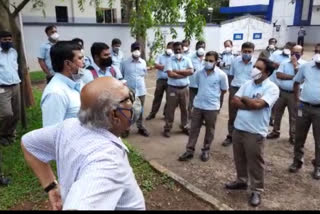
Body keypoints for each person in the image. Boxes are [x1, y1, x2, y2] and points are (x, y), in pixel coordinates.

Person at [21, 77, 146, 210]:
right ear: (114, 115)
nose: (134, 101)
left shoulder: (68, 126)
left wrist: (51, 187)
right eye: (128, 98)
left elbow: (29, 143)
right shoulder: (108, 164)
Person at [225, 57, 279, 207]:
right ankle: (241, 181)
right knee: (239, 158)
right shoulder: (247, 83)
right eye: (254, 66)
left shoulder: (272, 88)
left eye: (258, 68)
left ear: (267, 72)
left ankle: (256, 190)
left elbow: (259, 105)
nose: (254, 69)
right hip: (239, 128)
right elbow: (234, 101)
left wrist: (247, 101)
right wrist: (250, 102)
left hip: (255, 132)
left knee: (255, 162)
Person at [178, 51, 228, 162]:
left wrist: (212, 97)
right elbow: (195, 87)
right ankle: (189, 150)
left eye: (211, 61)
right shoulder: (198, 73)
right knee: (194, 129)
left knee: (210, 130)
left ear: (216, 62)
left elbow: (224, 90)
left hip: (212, 107)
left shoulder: (221, 75)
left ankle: (206, 150)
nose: (208, 62)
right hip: (198, 106)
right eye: (206, 60)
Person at [288, 53, 320, 180]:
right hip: (304, 107)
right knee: (299, 136)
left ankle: (318, 166)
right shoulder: (306, 67)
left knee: (319, 140)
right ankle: (297, 161)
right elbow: (296, 82)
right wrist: (297, 101)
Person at [267, 45, 306, 144]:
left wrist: (295, 65)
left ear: (302, 53)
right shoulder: (284, 63)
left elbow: (301, 80)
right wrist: (294, 77)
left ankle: (293, 136)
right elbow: (279, 75)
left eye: (297, 53)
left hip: (295, 94)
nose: (294, 55)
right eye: (293, 52)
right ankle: (275, 131)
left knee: (294, 116)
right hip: (282, 92)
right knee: (277, 112)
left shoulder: (304, 65)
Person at [41, 41, 84, 127]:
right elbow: (52, 132)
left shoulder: (78, 82)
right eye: (80, 58)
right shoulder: (55, 93)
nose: (84, 63)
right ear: (68, 64)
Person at [222, 42, 256, 147]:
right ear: (241, 51)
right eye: (245, 51)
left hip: (249, 91)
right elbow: (231, 75)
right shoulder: (235, 61)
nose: (247, 53)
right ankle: (230, 136)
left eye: (249, 52)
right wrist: (231, 89)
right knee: (233, 114)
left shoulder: (256, 63)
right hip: (235, 89)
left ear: (253, 52)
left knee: (248, 114)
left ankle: (245, 137)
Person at [0, 31, 21, 186]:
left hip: (16, 85)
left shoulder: (13, 52)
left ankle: (9, 135)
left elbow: (15, 67)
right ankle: (3, 133)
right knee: (6, 113)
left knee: (16, 114)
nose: (8, 41)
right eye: (4, 39)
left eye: (9, 39)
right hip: (2, 88)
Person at [163, 42, 193, 138]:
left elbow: (191, 71)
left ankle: (185, 126)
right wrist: (184, 74)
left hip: (185, 89)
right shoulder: (169, 60)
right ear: (173, 50)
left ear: (182, 49)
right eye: (176, 50)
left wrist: (177, 72)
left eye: (179, 49)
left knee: (185, 109)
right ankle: (167, 128)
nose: (178, 51)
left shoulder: (187, 60)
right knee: (170, 109)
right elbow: (170, 74)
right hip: (172, 89)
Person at [121, 42, 150, 137]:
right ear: (131, 50)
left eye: (138, 48)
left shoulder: (143, 62)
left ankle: (140, 126)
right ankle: (126, 128)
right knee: (128, 109)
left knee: (140, 110)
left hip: (141, 90)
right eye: (134, 49)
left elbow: (144, 75)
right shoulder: (125, 63)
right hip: (129, 91)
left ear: (141, 50)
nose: (136, 51)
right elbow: (121, 76)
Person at [267, 42, 295, 126]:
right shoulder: (276, 53)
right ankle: (268, 119)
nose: (287, 49)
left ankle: (273, 118)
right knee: (269, 102)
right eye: (287, 47)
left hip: (282, 85)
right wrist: (274, 65)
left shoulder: (293, 58)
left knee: (278, 106)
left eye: (290, 48)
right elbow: (268, 63)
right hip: (272, 81)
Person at [146, 41, 174, 120]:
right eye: (169, 47)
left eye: (172, 48)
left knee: (170, 98)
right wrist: (168, 68)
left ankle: (166, 114)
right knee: (157, 97)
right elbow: (156, 65)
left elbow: (174, 68)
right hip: (161, 80)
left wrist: (163, 67)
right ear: (166, 47)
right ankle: (152, 113)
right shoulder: (160, 55)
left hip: (170, 81)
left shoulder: (174, 57)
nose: (170, 49)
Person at [188, 40, 206, 121]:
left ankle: (201, 118)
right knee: (191, 102)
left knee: (202, 102)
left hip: (203, 84)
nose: (201, 49)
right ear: (196, 48)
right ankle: (190, 118)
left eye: (203, 47)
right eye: (199, 47)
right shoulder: (190, 57)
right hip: (192, 83)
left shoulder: (207, 58)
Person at [217, 40, 236, 108]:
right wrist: (226, 64)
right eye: (225, 46)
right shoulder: (221, 54)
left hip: (232, 76)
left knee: (232, 93)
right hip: (223, 75)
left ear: (231, 45)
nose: (227, 47)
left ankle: (232, 108)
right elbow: (218, 63)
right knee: (221, 92)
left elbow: (237, 64)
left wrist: (224, 64)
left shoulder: (236, 54)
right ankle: (218, 107)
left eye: (228, 45)